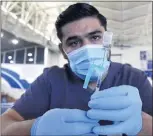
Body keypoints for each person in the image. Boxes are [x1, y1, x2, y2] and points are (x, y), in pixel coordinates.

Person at [1, 3, 152, 136]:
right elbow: (3, 126)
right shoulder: (51, 81)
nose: (87, 48)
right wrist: (35, 128)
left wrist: (141, 124)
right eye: (74, 42)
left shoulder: (133, 78)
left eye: (95, 37)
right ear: (63, 51)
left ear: (107, 40)